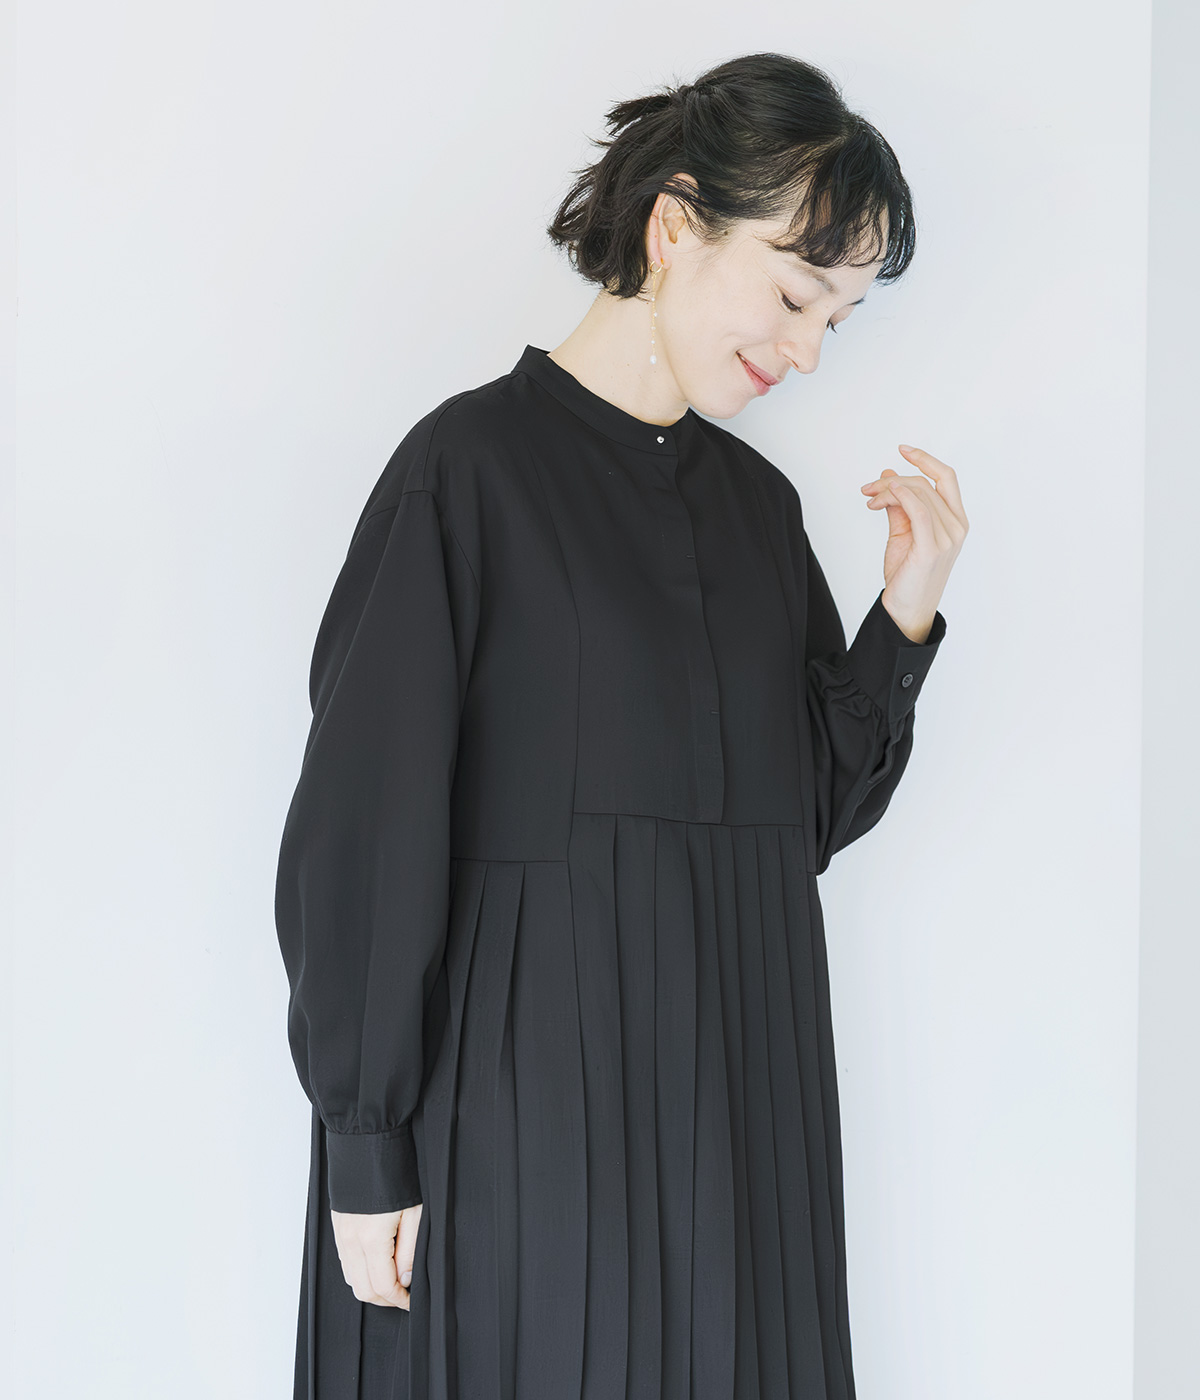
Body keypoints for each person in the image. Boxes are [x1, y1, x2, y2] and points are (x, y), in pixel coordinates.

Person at [274, 49, 968, 1400]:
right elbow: (364, 824)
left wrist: (903, 621)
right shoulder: (466, 474)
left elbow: (801, 818)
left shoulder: (758, 513)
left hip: (739, 1120)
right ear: (674, 227)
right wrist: (365, 1143)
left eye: (838, 320)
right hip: (518, 1127)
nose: (807, 350)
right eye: (795, 294)